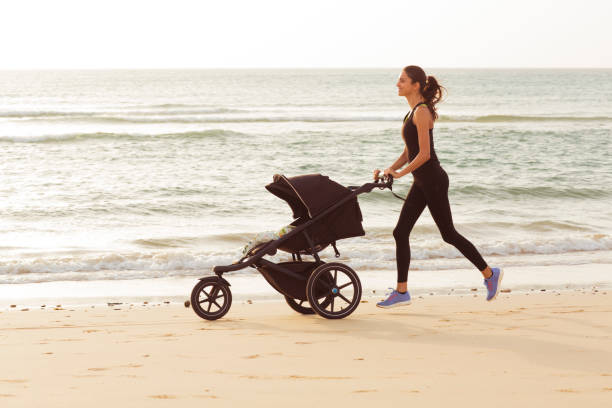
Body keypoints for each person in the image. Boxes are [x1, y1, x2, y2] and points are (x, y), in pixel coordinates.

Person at [374, 65, 502, 308]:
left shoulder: (421, 112)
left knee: (448, 234)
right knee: (400, 232)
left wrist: (401, 173)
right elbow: (409, 151)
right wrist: (389, 169)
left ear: (416, 85)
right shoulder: (412, 112)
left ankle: (490, 274)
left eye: (402, 80)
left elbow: (423, 155)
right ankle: (402, 292)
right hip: (422, 181)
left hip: (432, 180)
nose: (397, 84)